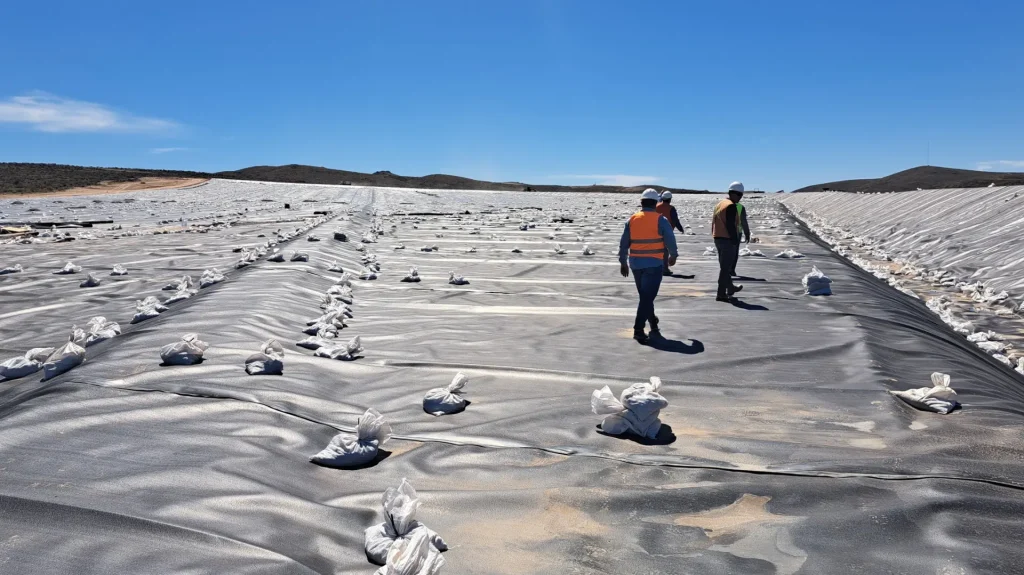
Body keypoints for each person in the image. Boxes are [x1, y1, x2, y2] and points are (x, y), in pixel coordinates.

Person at [619, 189, 678, 343]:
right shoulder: (660, 219)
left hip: (635, 264)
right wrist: (673, 255)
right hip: (653, 264)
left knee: (645, 296)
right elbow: (670, 239)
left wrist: (623, 262)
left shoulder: (632, 219)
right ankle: (638, 329)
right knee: (646, 297)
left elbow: (624, 243)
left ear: (642, 202)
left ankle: (652, 322)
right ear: (655, 203)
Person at [711, 182, 744, 302]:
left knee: (724, 265)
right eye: (739, 195)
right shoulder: (731, 206)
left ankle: (730, 288)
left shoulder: (720, 204)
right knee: (725, 268)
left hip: (717, 237)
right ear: (734, 194)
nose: (740, 198)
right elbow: (730, 225)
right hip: (727, 240)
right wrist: (735, 240)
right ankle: (721, 294)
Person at [655, 191, 686, 276]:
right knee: (665, 251)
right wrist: (680, 228)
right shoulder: (671, 208)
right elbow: (675, 220)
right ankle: (664, 269)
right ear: (670, 199)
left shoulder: (656, 206)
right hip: (666, 232)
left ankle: (656, 267)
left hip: (654, 231)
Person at [729, 194, 752, 277]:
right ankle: (731, 270)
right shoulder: (740, 207)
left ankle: (725, 269)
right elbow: (743, 221)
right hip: (736, 233)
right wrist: (747, 233)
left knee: (725, 252)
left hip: (724, 232)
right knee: (734, 253)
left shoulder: (722, 205)